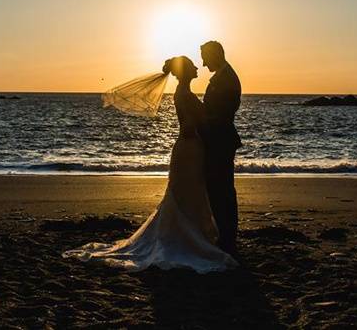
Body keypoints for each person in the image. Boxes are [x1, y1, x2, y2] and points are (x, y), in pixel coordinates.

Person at [63, 56, 237, 273]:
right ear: (184, 72)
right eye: (192, 65)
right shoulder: (184, 94)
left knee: (187, 194)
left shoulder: (184, 93)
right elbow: (189, 126)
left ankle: (190, 234)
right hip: (189, 149)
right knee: (185, 193)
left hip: (189, 149)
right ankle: (185, 237)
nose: (196, 67)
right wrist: (207, 122)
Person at [199, 41, 242, 255]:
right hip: (218, 139)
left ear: (216, 55)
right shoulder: (223, 77)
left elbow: (222, 114)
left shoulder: (227, 79)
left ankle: (227, 237)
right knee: (218, 188)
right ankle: (223, 234)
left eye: (205, 57)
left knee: (222, 189)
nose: (203, 63)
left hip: (221, 141)